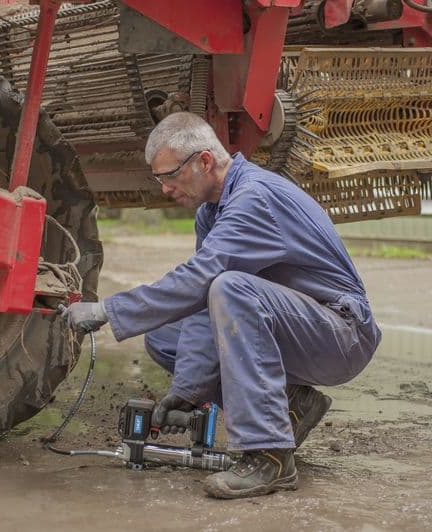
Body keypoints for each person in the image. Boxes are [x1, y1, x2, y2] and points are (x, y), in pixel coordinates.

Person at [65, 112, 381, 499]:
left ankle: (270, 457)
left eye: (170, 175)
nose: (165, 189)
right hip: (301, 326)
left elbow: (205, 279)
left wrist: (107, 311)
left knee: (231, 288)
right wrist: (187, 389)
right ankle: (292, 403)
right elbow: (201, 300)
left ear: (204, 161)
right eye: (159, 178)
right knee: (165, 337)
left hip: (341, 334)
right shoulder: (211, 212)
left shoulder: (254, 199)